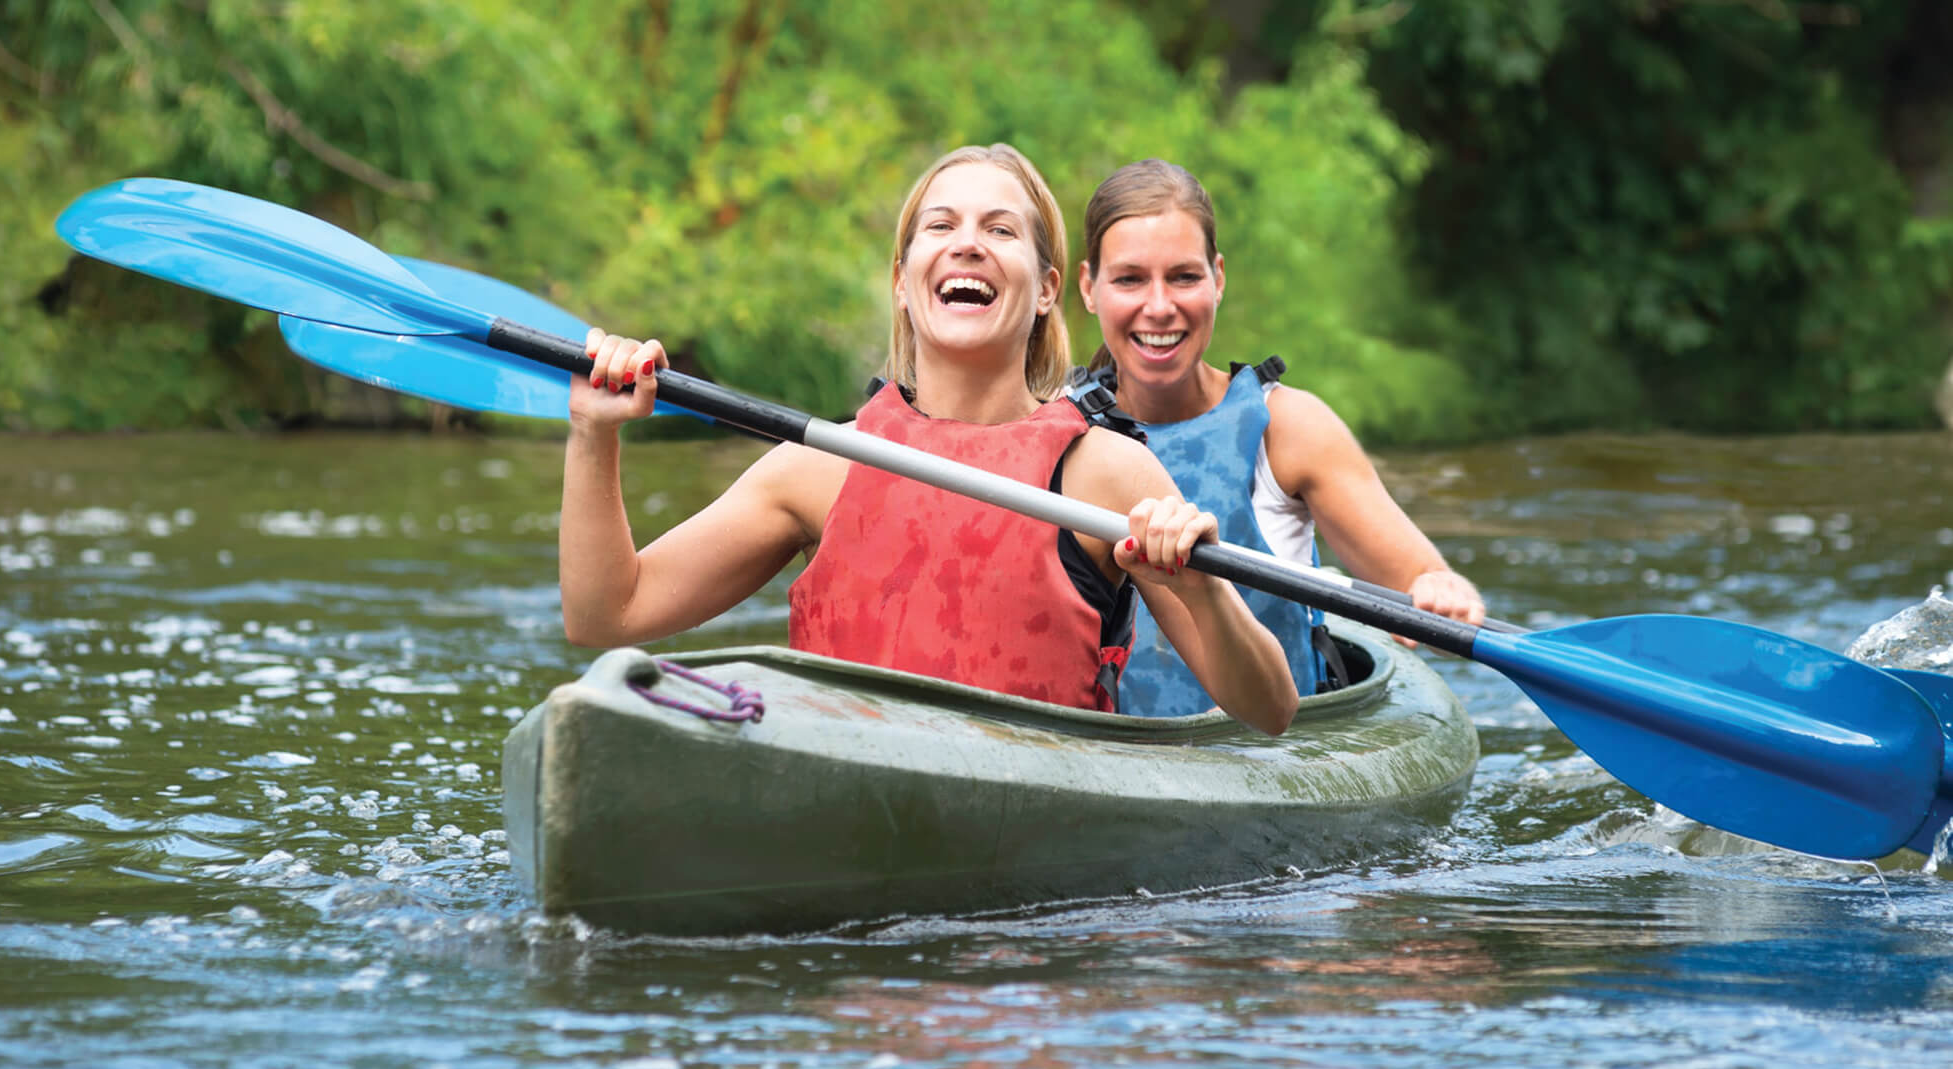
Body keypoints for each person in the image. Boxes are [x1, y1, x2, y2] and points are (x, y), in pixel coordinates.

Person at [559, 144, 1298, 734]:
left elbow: (1270, 713)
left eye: (999, 230)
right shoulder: (818, 469)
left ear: (1045, 290)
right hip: (841, 800)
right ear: (902, 281)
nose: (967, 245)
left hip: (1034, 874)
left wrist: (1202, 593)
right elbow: (606, 615)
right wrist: (594, 436)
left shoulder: (1105, 473)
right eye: (940, 227)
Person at [1073, 158, 1485, 717]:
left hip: (1273, 757)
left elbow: (1423, 592)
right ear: (1088, 288)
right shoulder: (1057, 430)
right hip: (1110, 759)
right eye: (1130, 279)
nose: (1160, 305)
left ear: (1218, 279)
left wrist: (1442, 592)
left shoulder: (1289, 428)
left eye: (1184, 277)